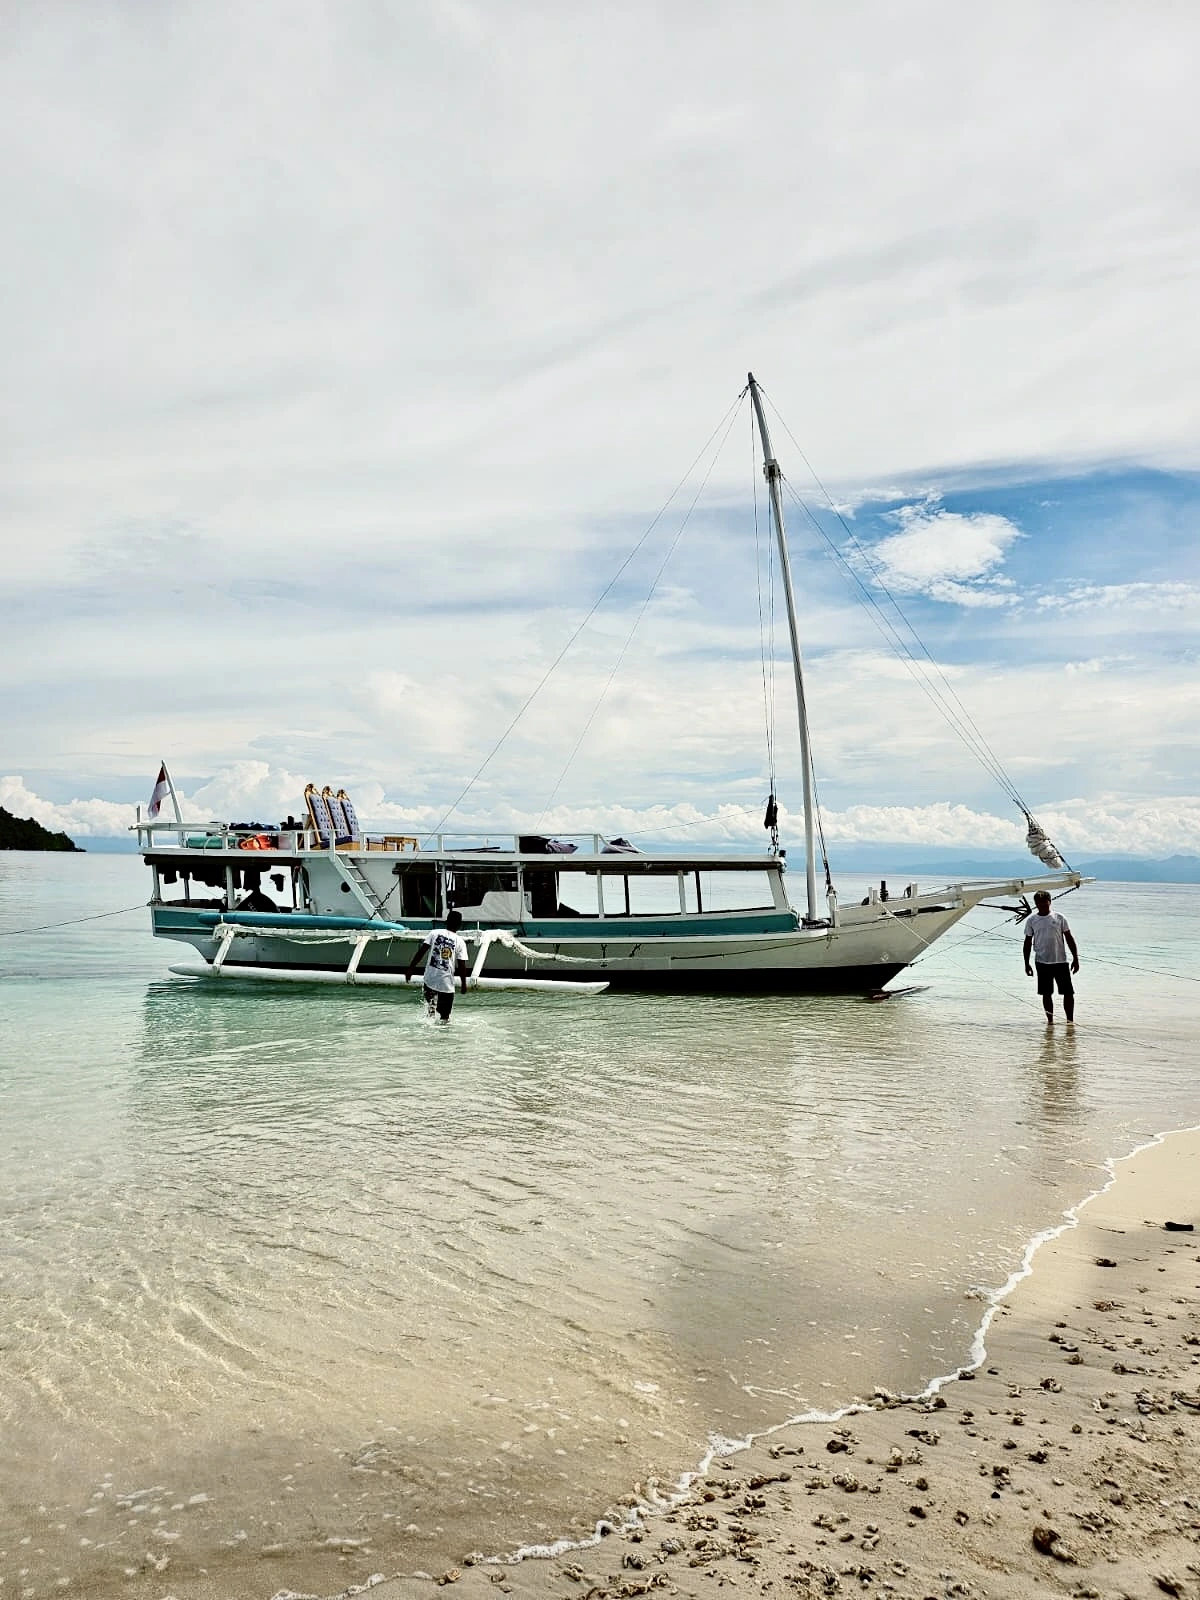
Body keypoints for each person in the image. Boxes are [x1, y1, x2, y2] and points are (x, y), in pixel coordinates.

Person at [1022, 891, 1080, 1023]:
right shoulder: (1032, 920)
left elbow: (1069, 938)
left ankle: (1070, 1021)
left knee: (1068, 992)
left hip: (1060, 961)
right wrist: (1026, 963)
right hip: (1042, 962)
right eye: (1039, 903)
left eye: (1044, 902)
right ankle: (1050, 1022)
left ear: (1050, 901)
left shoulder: (1059, 917)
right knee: (1046, 993)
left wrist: (1076, 959)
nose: (1042, 905)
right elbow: (1027, 943)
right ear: (1036, 904)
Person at [404, 909, 469, 1022]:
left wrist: (410, 969)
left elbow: (421, 952)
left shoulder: (434, 933)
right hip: (446, 984)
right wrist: (464, 984)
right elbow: (461, 965)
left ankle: (429, 1034)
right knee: (445, 1018)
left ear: (446, 921)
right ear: (460, 925)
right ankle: (442, 1038)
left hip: (430, 979)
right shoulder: (460, 942)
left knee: (431, 1010)